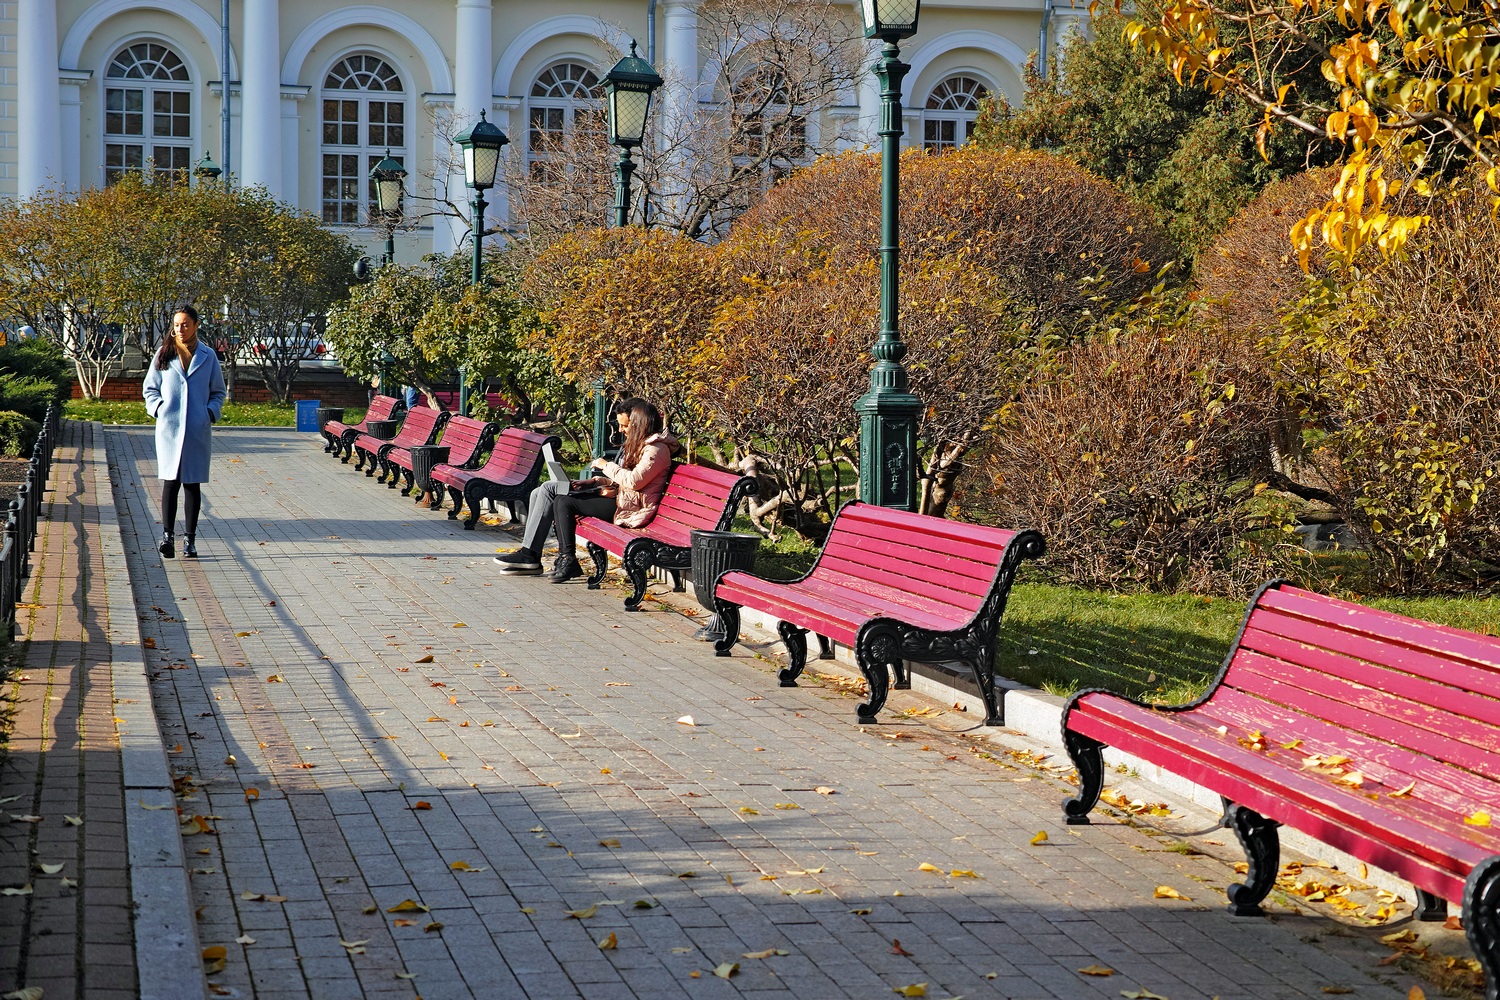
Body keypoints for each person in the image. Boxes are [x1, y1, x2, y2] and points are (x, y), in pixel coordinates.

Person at [494, 398, 677, 582]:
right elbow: (626, 481)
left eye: (625, 426)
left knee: (562, 500)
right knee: (542, 491)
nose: (621, 430)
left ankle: (557, 557)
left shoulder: (656, 450)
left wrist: (606, 465)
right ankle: (532, 554)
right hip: (622, 499)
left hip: (630, 509)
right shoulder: (641, 445)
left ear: (639, 424)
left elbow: (634, 481)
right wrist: (594, 481)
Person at [143, 305, 225, 559]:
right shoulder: (164, 353)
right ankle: (167, 536)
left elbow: (218, 392)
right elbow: (150, 389)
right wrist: (160, 409)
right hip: (170, 429)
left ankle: (190, 540)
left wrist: (209, 413)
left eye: (185, 324)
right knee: (171, 482)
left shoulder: (208, 355)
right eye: (177, 324)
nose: (180, 329)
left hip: (196, 429)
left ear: (196, 325)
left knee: (192, 484)